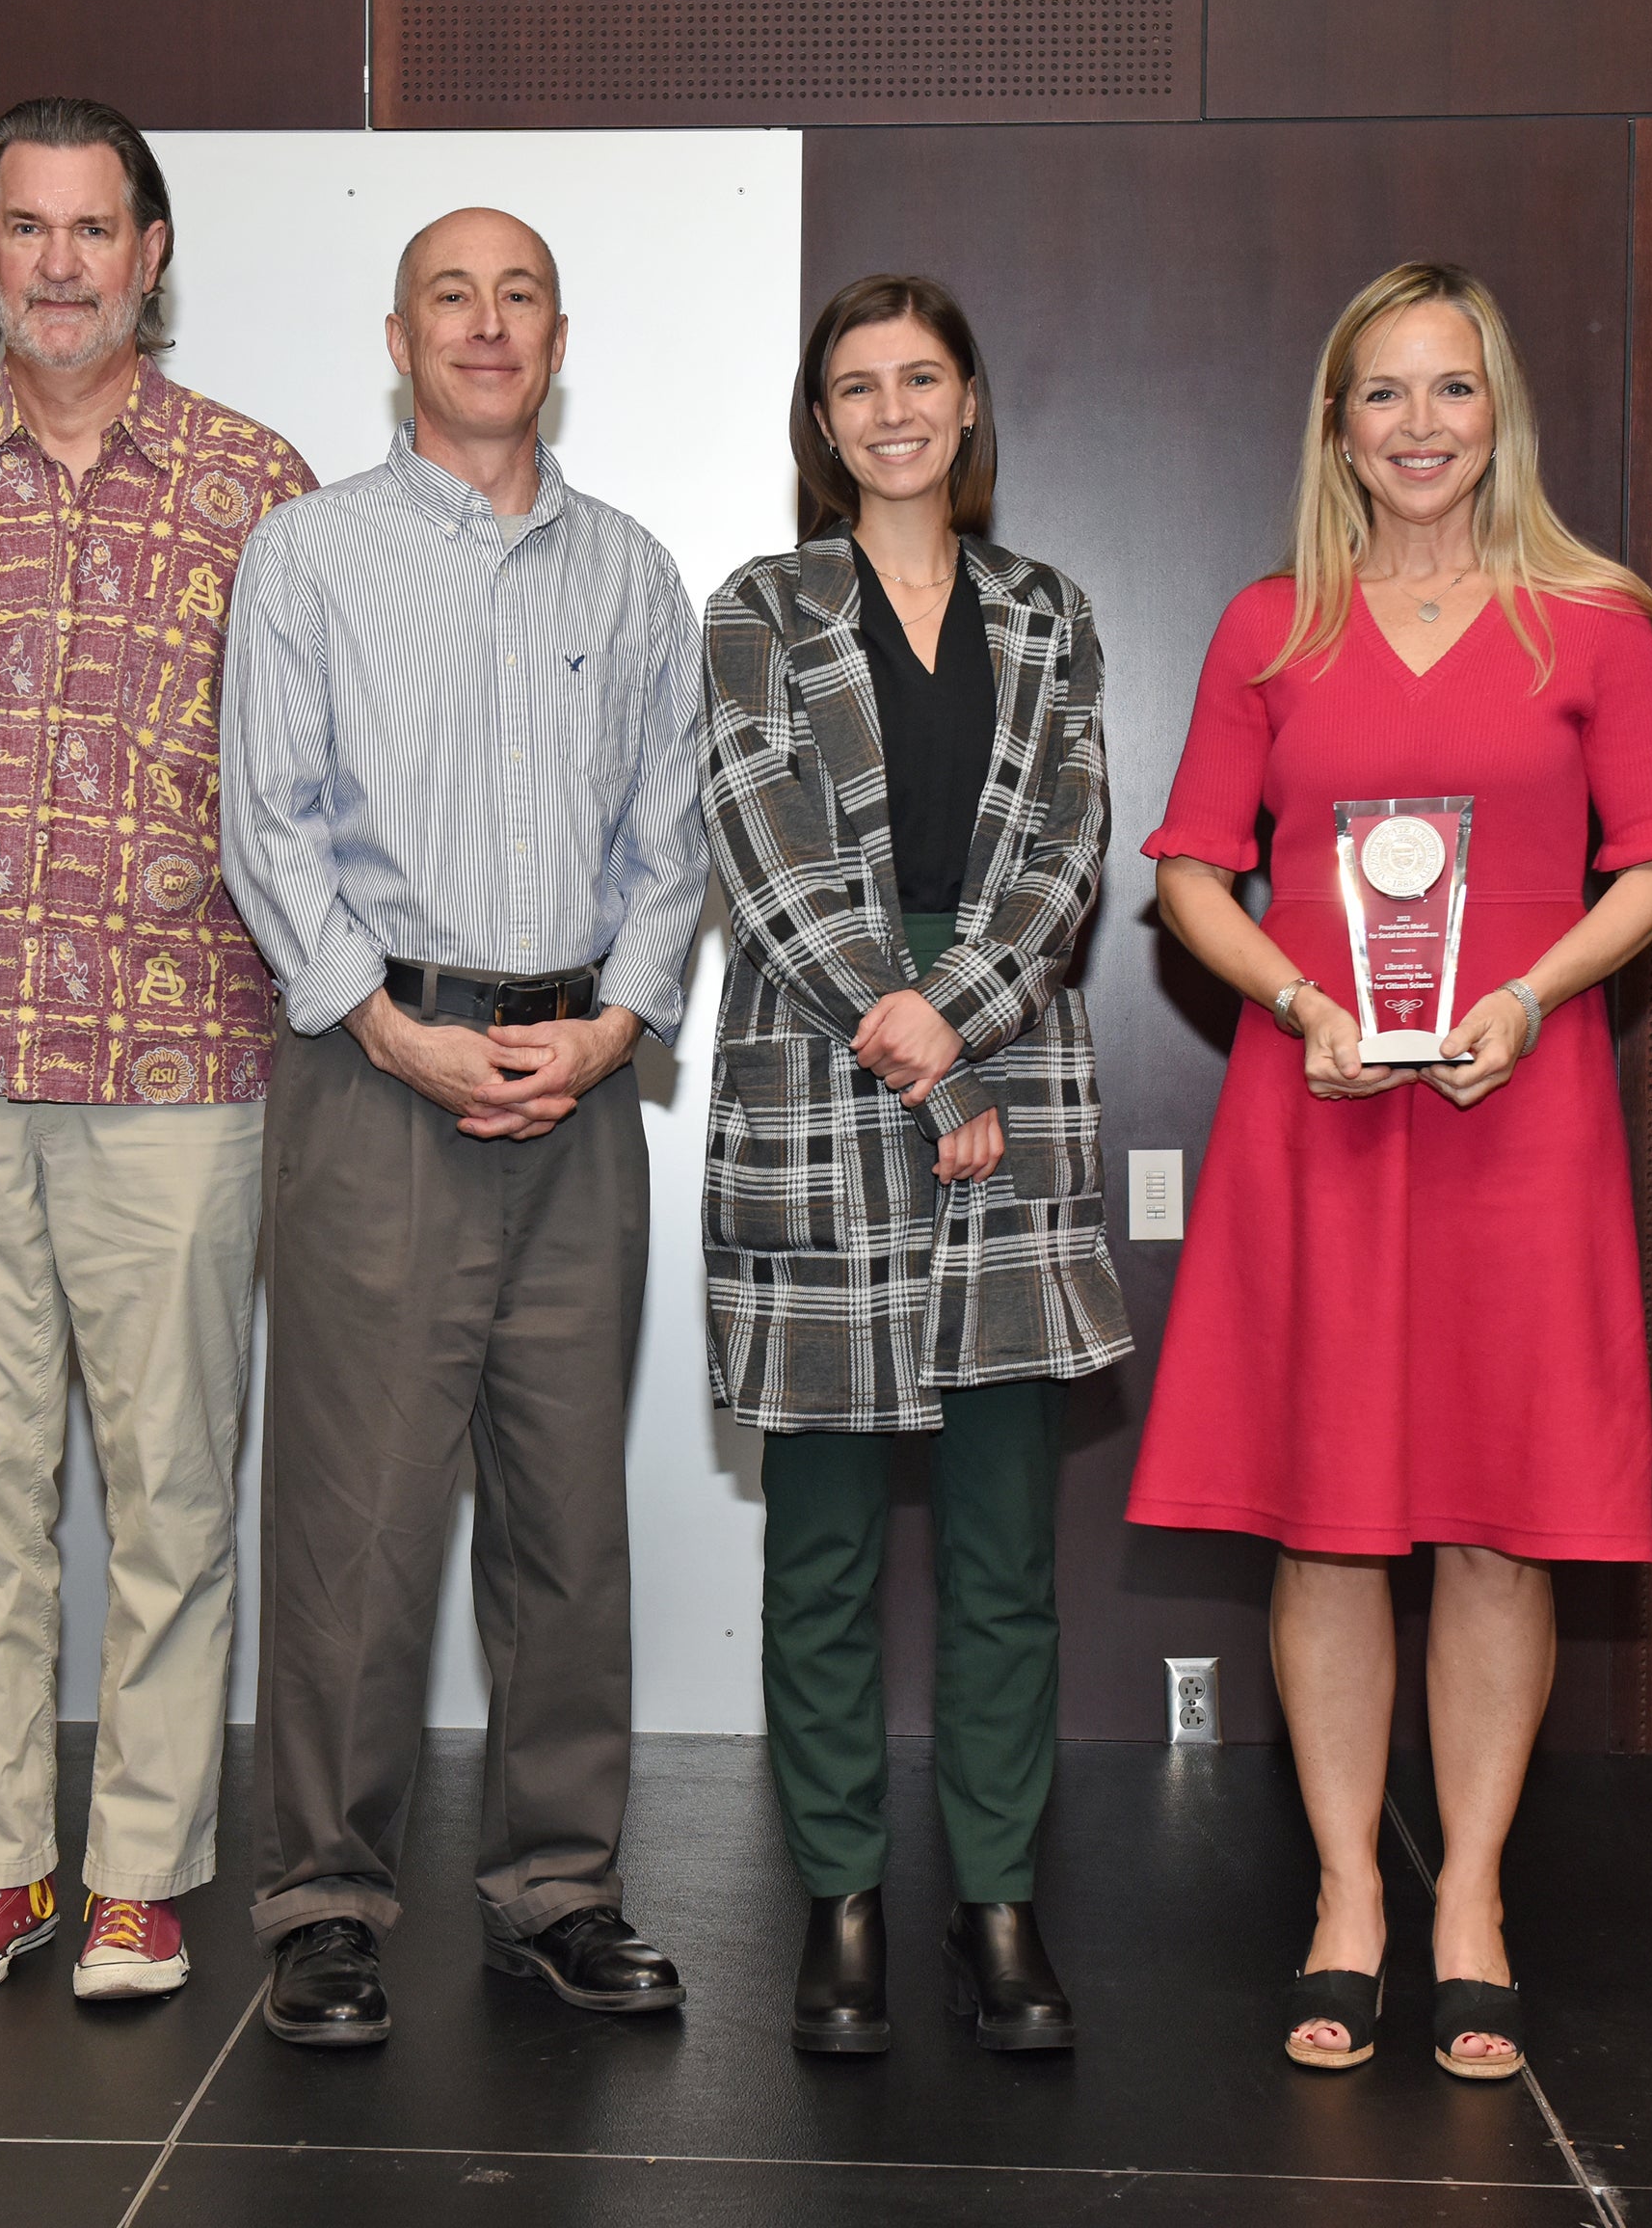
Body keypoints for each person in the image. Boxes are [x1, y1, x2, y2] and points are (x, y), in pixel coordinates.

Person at [1125, 262, 1652, 2081]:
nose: (1422, 427)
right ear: (1337, 427)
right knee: (1329, 1515)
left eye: (1453, 391)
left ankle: (1472, 1910)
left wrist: (1531, 998)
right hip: (1329, 1107)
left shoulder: (1595, 625)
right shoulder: (1267, 628)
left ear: (1498, 413)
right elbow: (1192, 872)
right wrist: (1298, 1002)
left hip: (1519, 1112)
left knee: (1495, 1515)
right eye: (1385, 394)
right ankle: (1348, 1902)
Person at [0, 98, 315, 2003]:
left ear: (153, 251)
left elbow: (308, 757)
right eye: (28, 228)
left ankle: (144, 1877)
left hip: (181, 1062)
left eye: (98, 228)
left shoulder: (262, 480)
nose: (64, 264)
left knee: (174, 1484)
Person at [220, 205, 706, 2048]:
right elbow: (268, 819)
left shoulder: (633, 573)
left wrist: (614, 1028)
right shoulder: (312, 553)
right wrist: (392, 1030)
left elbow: (676, 830)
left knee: (570, 1517)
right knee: (357, 1513)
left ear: (558, 336)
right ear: (402, 336)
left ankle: (558, 1888)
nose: (487, 328)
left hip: (578, 1085)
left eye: (518, 299)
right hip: (375, 1078)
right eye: (453, 297)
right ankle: (327, 1900)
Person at [699, 273, 1131, 2058]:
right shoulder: (759, 608)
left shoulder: (1049, 614)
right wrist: (902, 1027)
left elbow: (1065, 853)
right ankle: (844, 1904)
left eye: (920, 378)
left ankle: (1000, 1903)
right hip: (817, 1065)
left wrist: (956, 1024)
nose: (890, 411)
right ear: (824, 422)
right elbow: (761, 840)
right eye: (855, 386)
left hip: (1009, 1070)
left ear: (968, 406)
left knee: (1002, 1541)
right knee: (817, 1548)